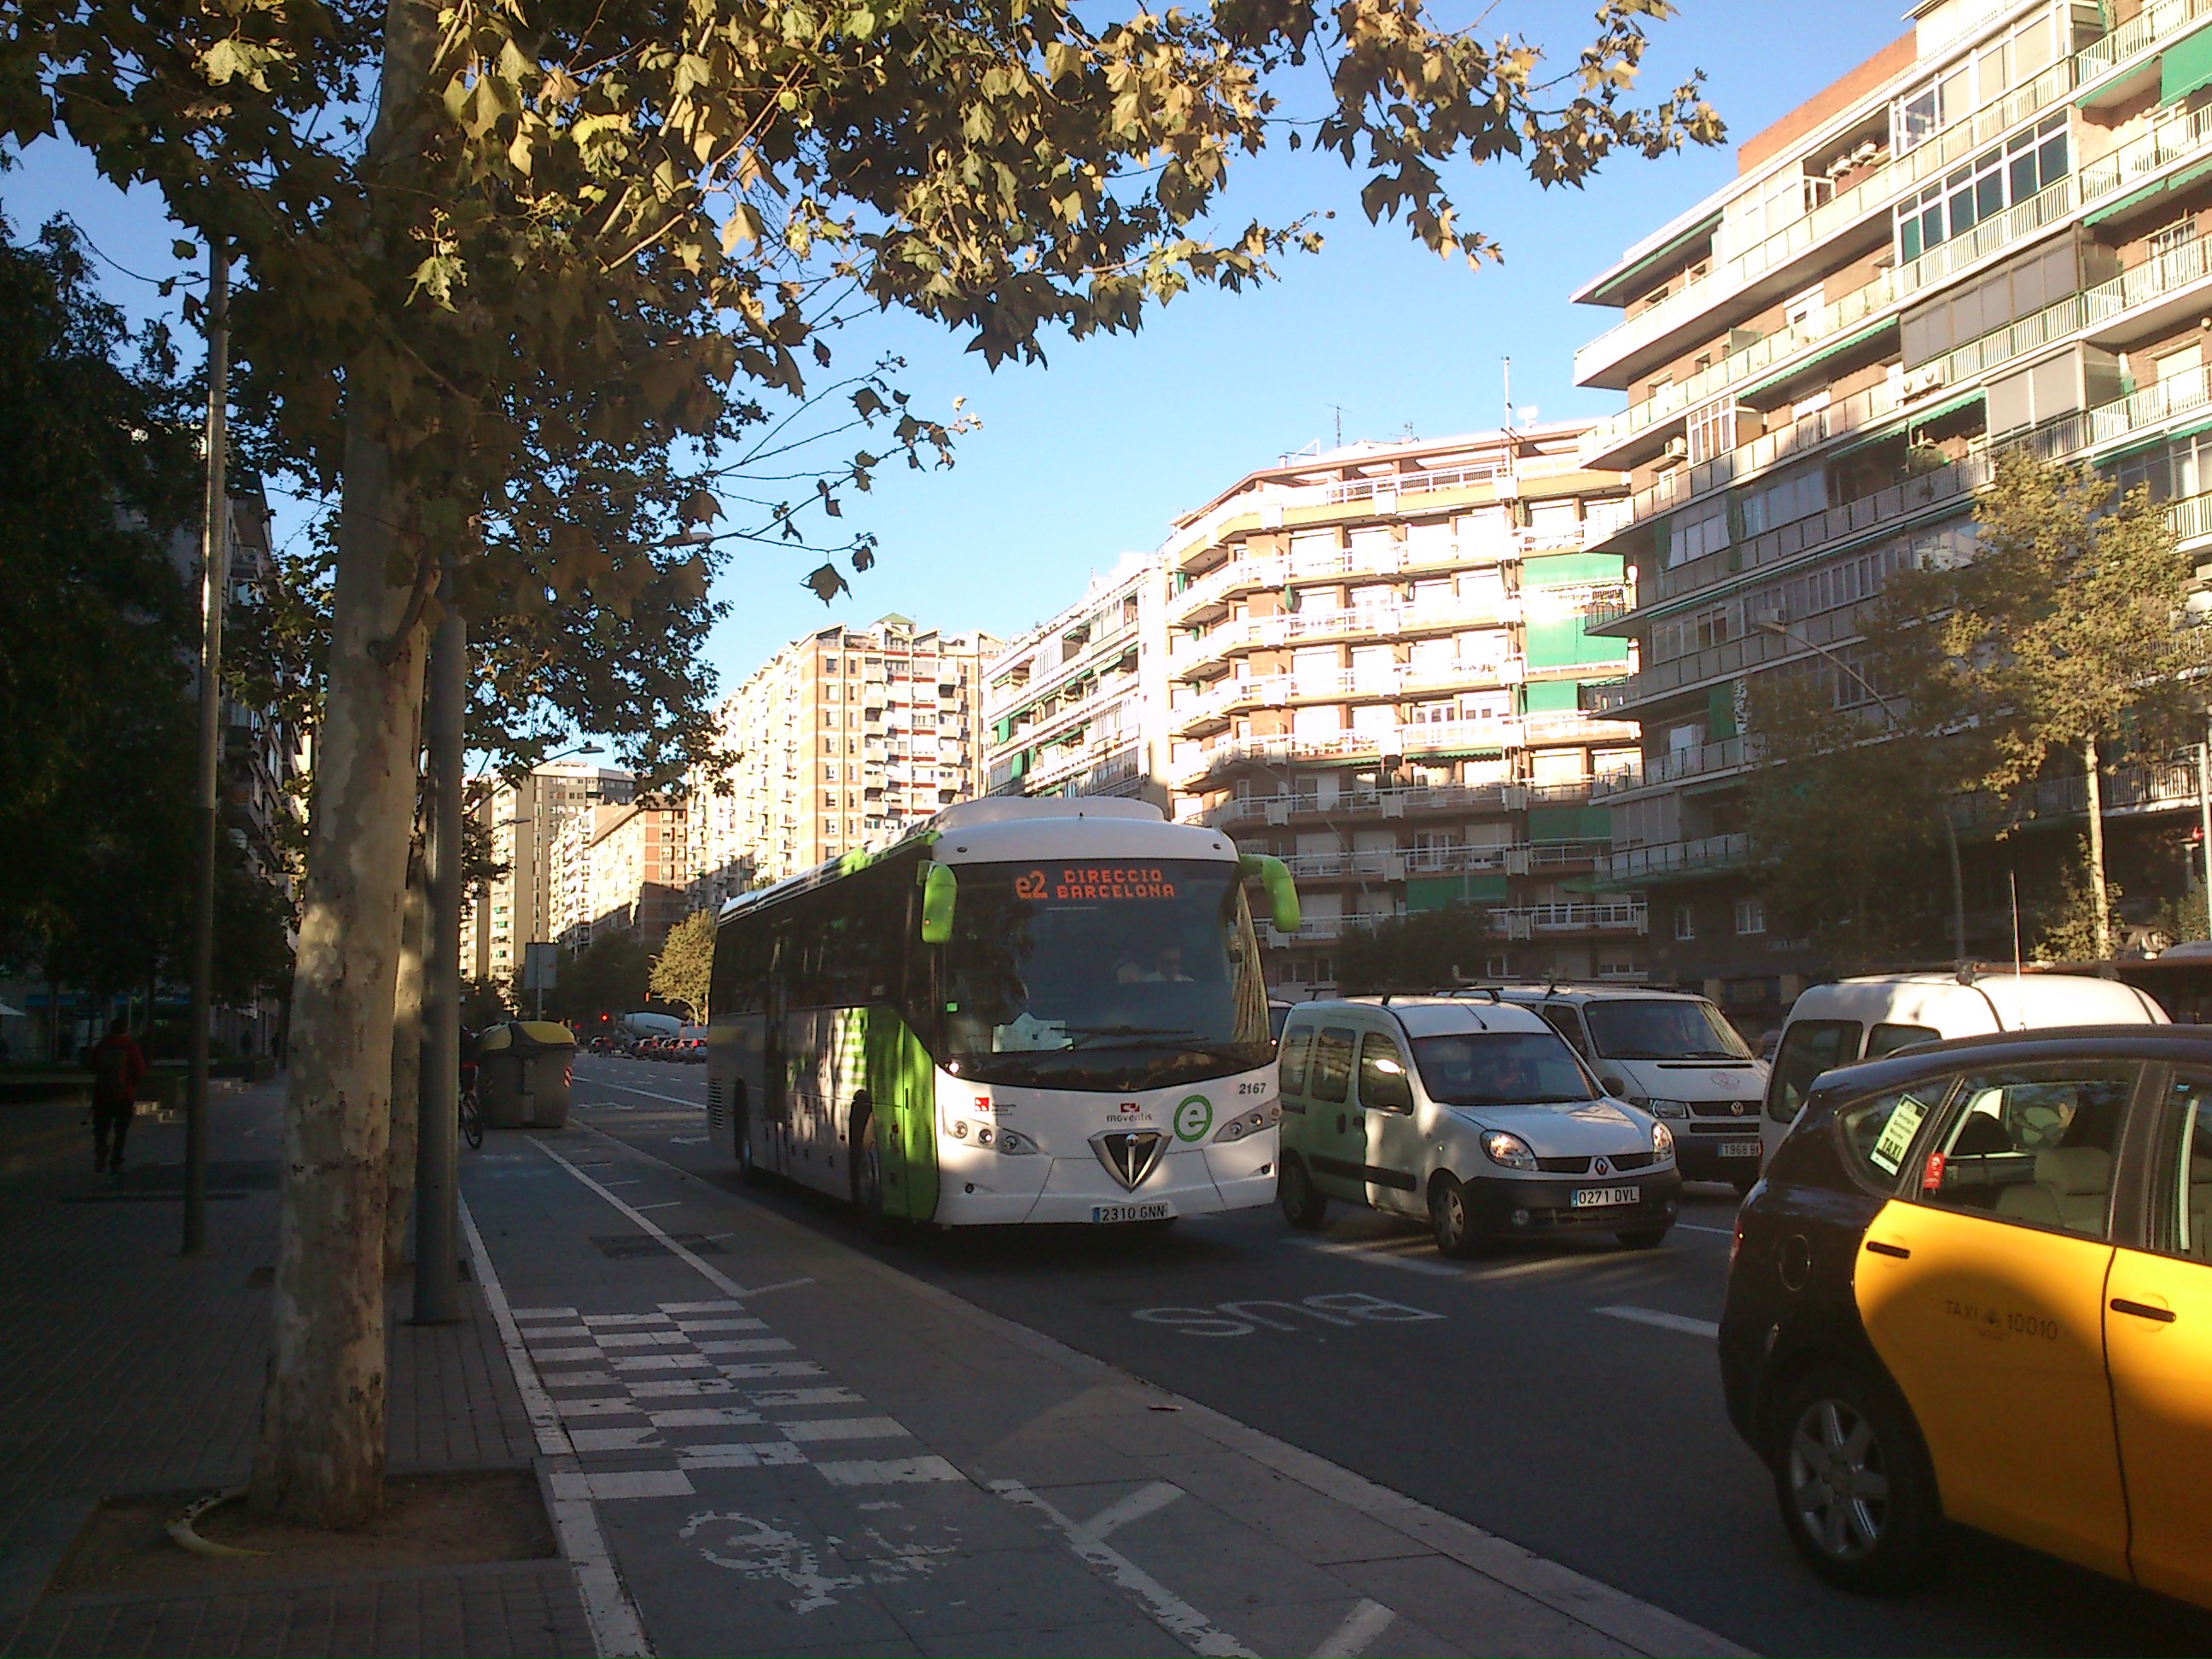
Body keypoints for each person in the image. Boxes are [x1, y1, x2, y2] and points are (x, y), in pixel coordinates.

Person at [89, 1016, 148, 1176]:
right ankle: (116, 1161)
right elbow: (141, 1070)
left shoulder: (102, 1045)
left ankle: (101, 1148)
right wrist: (129, 1082)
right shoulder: (130, 1046)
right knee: (121, 1131)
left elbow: (91, 1065)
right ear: (126, 1029)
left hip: (102, 1094)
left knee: (101, 1127)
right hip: (123, 1095)